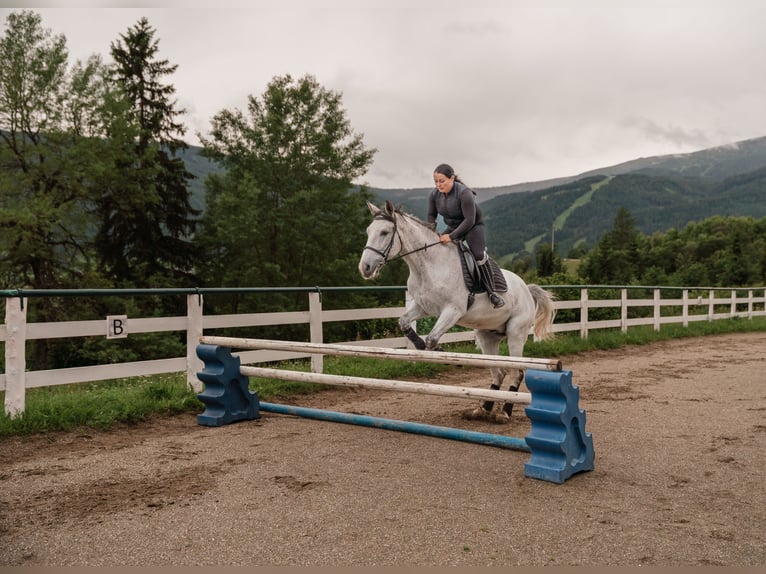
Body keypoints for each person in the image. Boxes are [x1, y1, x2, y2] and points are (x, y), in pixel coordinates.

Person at [427, 163, 505, 308]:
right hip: (453, 226)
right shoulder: (434, 195)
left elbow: (469, 220)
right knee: (436, 248)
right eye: (436, 181)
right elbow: (431, 215)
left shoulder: (464, 193)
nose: (438, 184)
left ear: (452, 178)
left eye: (442, 181)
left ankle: (493, 293)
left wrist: (450, 237)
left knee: (478, 254)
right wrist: (431, 232)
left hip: (473, 226)